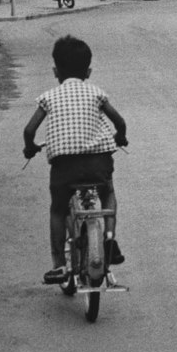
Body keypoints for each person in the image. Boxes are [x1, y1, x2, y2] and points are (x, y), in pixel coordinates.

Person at [23, 35, 129, 284]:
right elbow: (119, 122)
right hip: (97, 163)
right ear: (88, 71)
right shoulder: (96, 93)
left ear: (55, 71)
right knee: (108, 192)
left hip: (64, 167)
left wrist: (30, 148)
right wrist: (120, 138)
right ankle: (110, 238)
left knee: (58, 209)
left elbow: (29, 131)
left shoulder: (49, 97)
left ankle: (59, 264)